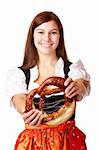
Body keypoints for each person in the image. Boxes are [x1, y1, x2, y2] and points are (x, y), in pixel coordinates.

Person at [6, 11, 90, 150]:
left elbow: (82, 85)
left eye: (53, 32)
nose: (47, 38)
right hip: (33, 144)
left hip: (67, 144)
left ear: (60, 36)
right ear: (32, 35)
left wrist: (78, 87)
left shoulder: (72, 70)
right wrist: (26, 111)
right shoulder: (20, 74)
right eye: (40, 32)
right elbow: (19, 98)